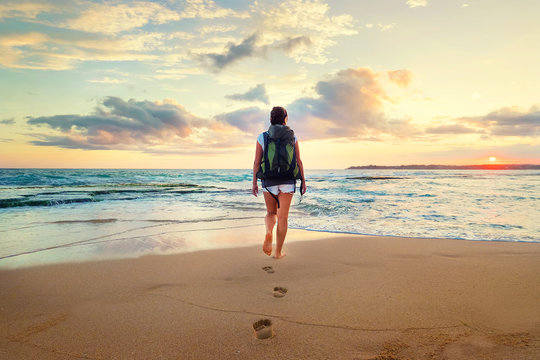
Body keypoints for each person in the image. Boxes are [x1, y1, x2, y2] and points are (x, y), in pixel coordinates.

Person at [252, 106, 306, 259]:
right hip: (288, 181)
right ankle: (278, 253)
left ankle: (269, 232)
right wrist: (303, 181)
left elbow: (257, 162)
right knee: (283, 218)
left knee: (271, 213)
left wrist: (254, 182)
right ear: (285, 118)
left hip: (269, 181)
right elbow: (299, 161)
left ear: (270, 119)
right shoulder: (292, 137)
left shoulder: (262, 137)